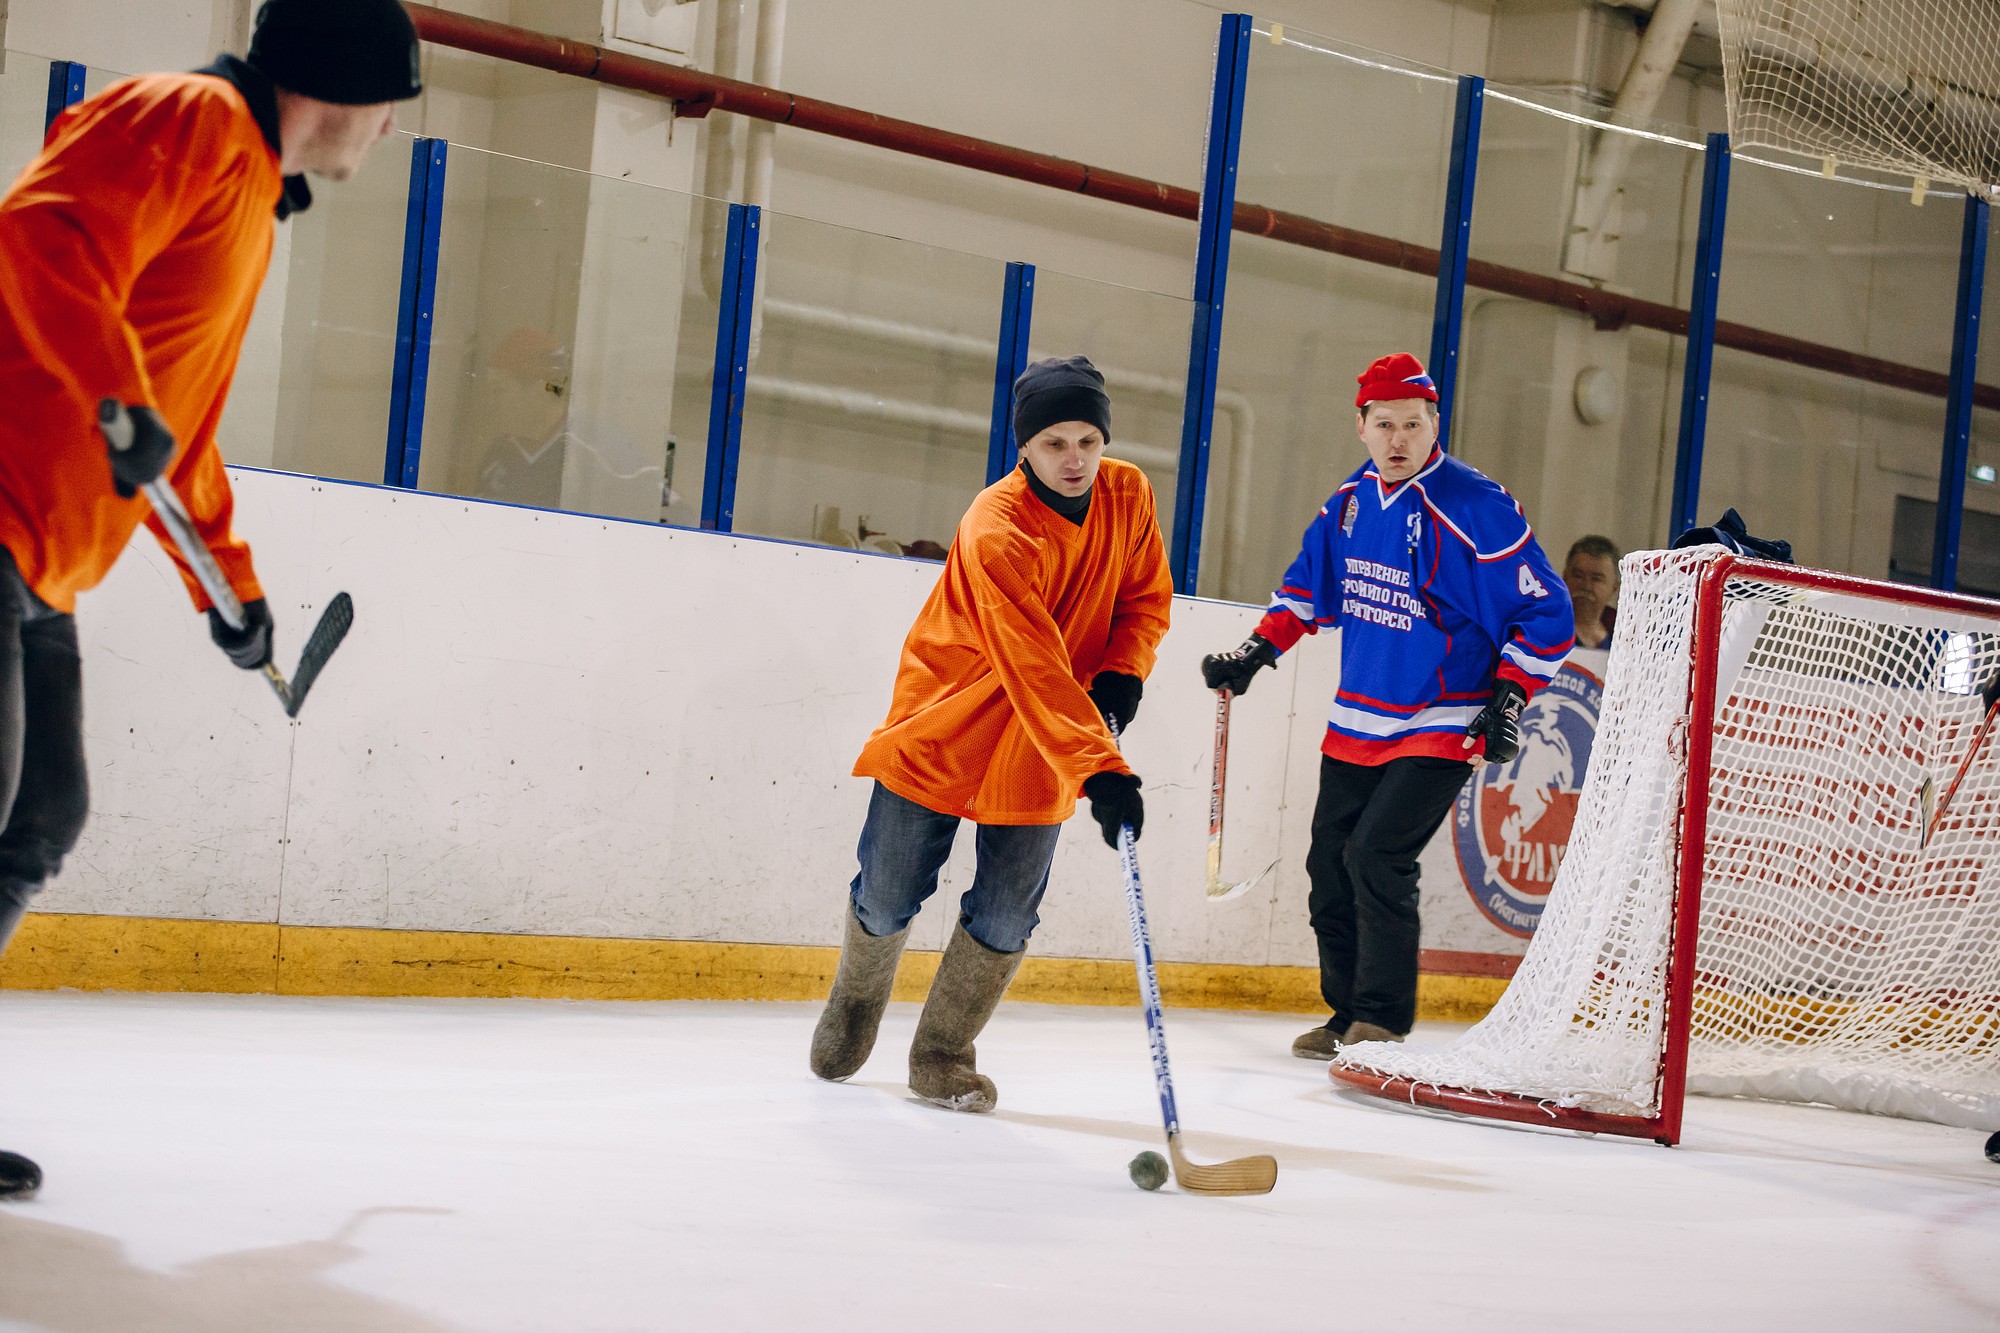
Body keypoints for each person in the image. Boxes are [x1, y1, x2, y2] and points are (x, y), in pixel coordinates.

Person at [0, 0, 424, 1201]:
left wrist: (230, 594)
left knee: (40, 818)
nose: (389, 132)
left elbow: (171, 440)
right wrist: (114, 398)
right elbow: (35, 240)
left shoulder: (245, 191)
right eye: (391, 104)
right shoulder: (187, 118)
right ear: (339, 87)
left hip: (44, 557)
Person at [810, 356, 1172, 1113]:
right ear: (1023, 448)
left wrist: (1122, 673)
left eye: (1087, 440)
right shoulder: (996, 525)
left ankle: (942, 1053)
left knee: (1008, 911)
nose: (1074, 459)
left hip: (1048, 738)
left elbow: (1144, 597)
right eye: (1053, 443)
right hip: (952, 719)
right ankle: (854, 1001)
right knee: (887, 891)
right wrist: (1101, 768)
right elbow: (1031, 663)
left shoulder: (1129, 493)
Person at [1202, 353, 1573, 1060]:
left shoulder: (1475, 506)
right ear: (1361, 427)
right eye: (1384, 424)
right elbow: (1306, 592)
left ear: (1436, 424)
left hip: (1446, 716)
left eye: (1414, 423)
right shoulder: (1348, 503)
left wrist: (1508, 696)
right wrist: (1254, 652)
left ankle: (1383, 1017)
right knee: (1328, 863)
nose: (1399, 438)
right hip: (1360, 717)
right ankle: (1346, 1012)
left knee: (1376, 854)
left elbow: (1547, 610)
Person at [1563, 535, 1620, 650]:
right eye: (1578, 576)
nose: (1585, 586)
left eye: (1596, 578)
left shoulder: (1623, 635)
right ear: (1564, 577)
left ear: (1614, 587)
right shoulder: (1544, 627)